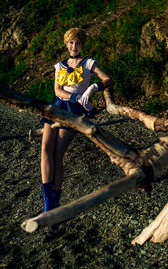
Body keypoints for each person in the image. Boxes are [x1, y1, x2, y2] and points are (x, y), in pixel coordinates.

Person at [40, 28, 113, 212]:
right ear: (66, 44)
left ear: (82, 45)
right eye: (71, 43)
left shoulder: (89, 63)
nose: (74, 46)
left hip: (73, 111)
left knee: (58, 154)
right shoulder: (60, 66)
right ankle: (48, 201)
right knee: (45, 149)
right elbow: (57, 91)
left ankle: (55, 201)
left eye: (78, 43)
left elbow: (108, 79)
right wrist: (74, 97)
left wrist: (92, 88)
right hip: (56, 107)